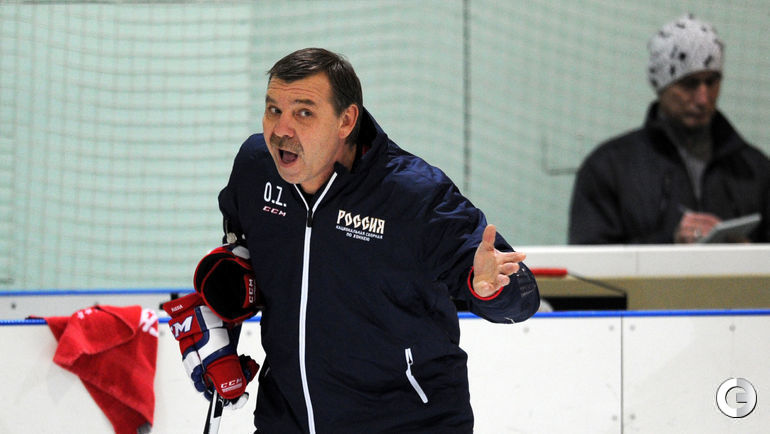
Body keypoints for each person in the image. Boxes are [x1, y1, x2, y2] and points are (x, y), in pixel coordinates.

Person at [170, 48, 540, 433]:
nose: (281, 129)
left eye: (303, 113)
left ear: (346, 120)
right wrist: (218, 318)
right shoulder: (255, 168)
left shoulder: (413, 196)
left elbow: (521, 299)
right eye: (273, 109)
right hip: (285, 421)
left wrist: (491, 288)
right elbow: (243, 254)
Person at [569, 14, 770, 244]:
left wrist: (749, 254)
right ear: (661, 86)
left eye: (712, 81)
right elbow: (590, 257)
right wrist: (670, 244)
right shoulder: (608, 167)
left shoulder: (754, 169)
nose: (703, 98)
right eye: (689, 84)